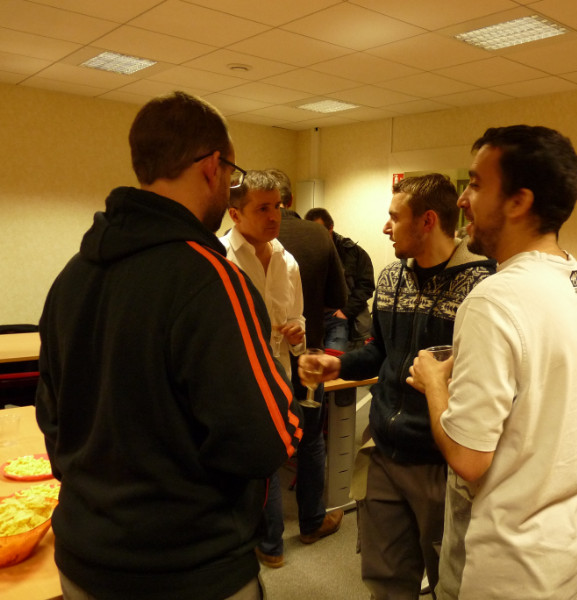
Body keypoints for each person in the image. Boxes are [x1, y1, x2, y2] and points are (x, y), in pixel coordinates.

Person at [35, 91, 303, 600]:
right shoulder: (212, 280)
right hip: (187, 568)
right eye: (232, 175)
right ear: (212, 167)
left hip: (81, 558)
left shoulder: (72, 276)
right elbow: (266, 440)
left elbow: (51, 416)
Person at [407, 125, 577, 600]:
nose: (463, 199)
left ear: (519, 202)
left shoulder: (493, 300)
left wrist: (434, 382)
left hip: (505, 569)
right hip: (568, 557)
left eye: (476, 184)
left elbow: (468, 459)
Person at [299, 173, 495, 599]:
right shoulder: (391, 277)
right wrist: (337, 364)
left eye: (394, 217)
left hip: (441, 463)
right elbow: (380, 352)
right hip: (385, 453)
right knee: (385, 582)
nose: (385, 227)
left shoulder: (483, 286)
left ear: (427, 221)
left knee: (450, 584)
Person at [220, 171, 306, 568]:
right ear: (235, 214)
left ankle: (270, 545)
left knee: (272, 457)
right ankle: (249, 543)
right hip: (236, 378)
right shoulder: (221, 258)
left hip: (279, 374)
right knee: (244, 464)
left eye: (278, 207)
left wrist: (297, 335)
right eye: (263, 209)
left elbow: (297, 318)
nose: (274, 217)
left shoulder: (287, 260)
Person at [270, 169, 348, 553]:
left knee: (268, 442)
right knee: (311, 439)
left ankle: (268, 540)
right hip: (308, 355)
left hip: (262, 359)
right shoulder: (318, 235)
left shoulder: (239, 237)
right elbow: (339, 298)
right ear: (291, 200)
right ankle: (311, 523)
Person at [305, 207, 375, 351]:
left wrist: (346, 311)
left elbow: (366, 286)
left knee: (336, 359)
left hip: (342, 318)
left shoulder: (353, 252)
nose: (315, 236)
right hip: (312, 320)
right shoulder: (305, 251)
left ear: (330, 228)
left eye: (319, 231)